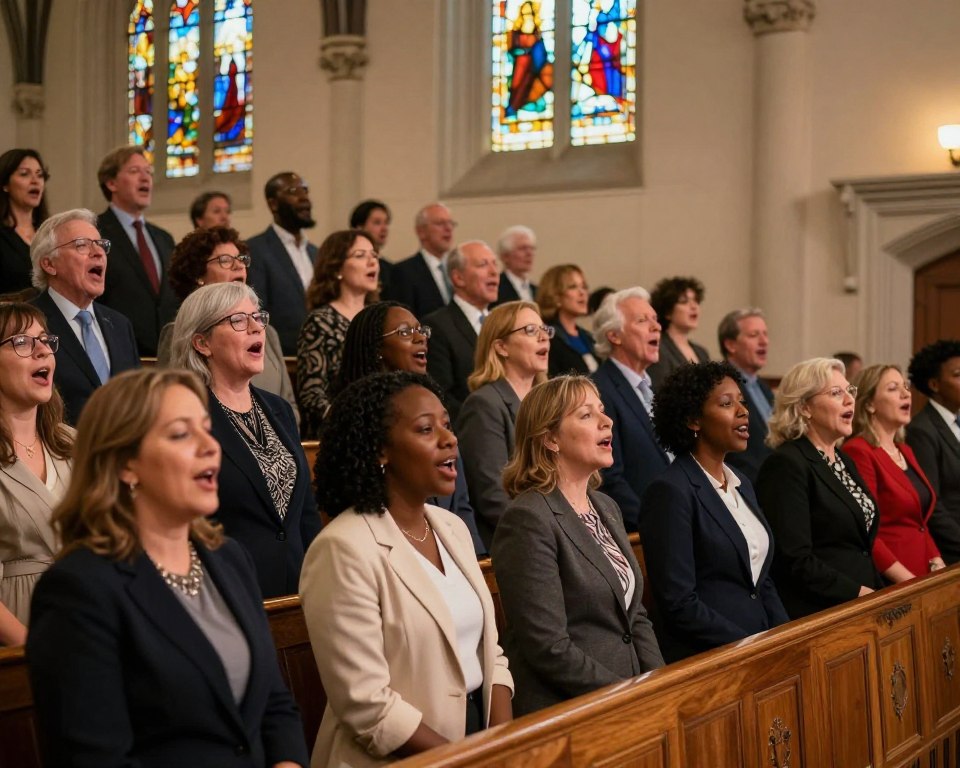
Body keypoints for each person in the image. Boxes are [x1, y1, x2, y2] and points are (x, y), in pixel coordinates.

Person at [26, 368, 308, 767]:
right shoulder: (79, 588)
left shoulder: (229, 558)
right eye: (180, 434)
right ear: (126, 464)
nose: (210, 447)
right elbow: (95, 758)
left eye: (207, 430)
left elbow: (274, 703)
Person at [301, 372, 513, 765]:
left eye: (447, 426)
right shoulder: (342, 548)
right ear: (381, 450)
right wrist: (465, 758)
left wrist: (501, 745)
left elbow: (492, 654)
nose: (449, 439)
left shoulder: (452, 528)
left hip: (477, 742)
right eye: (426, 429)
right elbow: (367, 705)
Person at [491, 375, 664, 716]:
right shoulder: (528, 519)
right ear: (550, 438)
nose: (607, 420)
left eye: (602, 410)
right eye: (586, 415)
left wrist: (658, 683)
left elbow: (635, 615)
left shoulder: (606, 506)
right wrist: (622, 695)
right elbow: (548, 646)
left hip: (628, 700)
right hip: (570, 709)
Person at [170, 283, 321, 598]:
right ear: (202, 343)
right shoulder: (185, 416)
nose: (256, 328)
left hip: (299, 589)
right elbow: (184, 525)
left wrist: (319, 577)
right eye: (238, 320)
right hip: (229, 592)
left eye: (258, 317)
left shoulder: (277, 408)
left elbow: (305, 511)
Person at [640, 362, 788, 662]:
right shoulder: (670, 491)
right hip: (711, 657)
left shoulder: (741, 482)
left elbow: (761, 578)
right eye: (726, 403)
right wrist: (747, 646)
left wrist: (786, 636)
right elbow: (679, 602)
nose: (742, 411)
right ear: (694, 419)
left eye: (742, 402)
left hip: (762, 648)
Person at [335, 300, 485, 555]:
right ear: (376, 347)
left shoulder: (435, 405)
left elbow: (461, 504)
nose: (420, 338)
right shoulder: (357, 419)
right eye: (405, 332)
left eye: (421, 330)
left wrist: (477, 560)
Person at [756, 357, 884, 619]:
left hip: (863, 600)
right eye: (836, 393)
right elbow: (795, 559)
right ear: (804, 407)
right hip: (822, 611)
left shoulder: (843, 459)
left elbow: (860, 546)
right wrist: (857, 592)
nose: (849, 400)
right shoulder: (787, 464)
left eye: (850, 390)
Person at [157, 226, 298, 423]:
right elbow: (170, 402)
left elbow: (289, 404)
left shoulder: (268, 332)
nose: (239, 266)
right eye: (225, 260)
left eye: (241, 259)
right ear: (198, 275)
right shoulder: (179, 333)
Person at [0, 303, 73, 645]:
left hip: (89, 622)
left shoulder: (74, 443)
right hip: (21, 634)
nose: (43, 350)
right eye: (23, 342)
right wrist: (29, 650)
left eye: (45, 340)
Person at [29, 208, 140, 425]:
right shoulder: (30, 324)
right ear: (49, 264)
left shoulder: (120, 324)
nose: (98, 253)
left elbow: (138, 398)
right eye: (81, 245)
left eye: (101, 245)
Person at [457, 300, 550, 547]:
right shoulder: (484, 405)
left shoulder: (547, 405)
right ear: (501, 346)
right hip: (518, 542)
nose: (544, 337)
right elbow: (493, 496)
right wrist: (547, 537)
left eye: (545, 330)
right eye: (531, 330)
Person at [842, 364, 945, 581]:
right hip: (892, 578)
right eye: (892, 388)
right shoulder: (859, 451)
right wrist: (906, 581)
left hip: (924, 571)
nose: (905, 393)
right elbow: (868, 529)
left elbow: (920, 523)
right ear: (869, 404)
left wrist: (937, 562)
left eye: (905, 387)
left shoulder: (905, 449)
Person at [591, 287, 671, 532]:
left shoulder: (655, 386)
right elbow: (608, 477)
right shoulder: (599, 390)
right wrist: (654, 524)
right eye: (642, 321)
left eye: (655, 320)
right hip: (643, 530)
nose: (656, 327)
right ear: (614, 335)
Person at [95, 146, 178, 356]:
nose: (145, 178)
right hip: (119, 352)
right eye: (134, 171)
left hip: (166, 355)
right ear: (111, 182)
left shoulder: (164, 238)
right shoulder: (96, 232)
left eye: (148, 172)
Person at [296, 229, 380, 438]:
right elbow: (311, 395)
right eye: (360, 255)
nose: (372, 262)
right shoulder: (320, 322)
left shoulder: (382, 319)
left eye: (374, 255)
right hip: (340, 433)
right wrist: (351, 423)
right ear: (337, 268)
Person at [424, 240, 501, 419]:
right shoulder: (437, 325)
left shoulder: (502, 324)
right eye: (483, 265)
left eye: (495, 264)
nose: (494, 272)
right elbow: (440, 393)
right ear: (458, 278)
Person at [247, 171, 318, 354]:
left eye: (305, 190)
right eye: (294, 191)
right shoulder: (256, 249)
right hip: (281, 357)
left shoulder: (315, 253)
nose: (304, 198)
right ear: (273, 204)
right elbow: (257, 309)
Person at [906, 340, 960, 563]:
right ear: (935, 385)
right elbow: (932, 503)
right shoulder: (922, 430)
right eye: (958, 375)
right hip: (950, 551)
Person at [718, 307, 773, 484]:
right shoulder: (721, 386)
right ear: (730, 345)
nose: (764, 341)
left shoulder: (764, 389)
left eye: (765, 334)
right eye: (754, 335)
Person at [383, 202, 457, 319]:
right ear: (421, 232)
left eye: (451, 223)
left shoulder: (457, 270)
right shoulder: (404, 272)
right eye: (440, 223)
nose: (448, 228)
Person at [647, 276, 710, 390]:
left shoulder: (702, 352)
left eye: (696, 300)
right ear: (668, 312)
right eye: (684, 301)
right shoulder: (658, 348)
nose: (694, 306)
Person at [0, 148, 49, 293]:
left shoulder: (50, 234)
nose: (35, 181)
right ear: (5, 184)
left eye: (40, 175)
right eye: (24, 174)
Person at [538, 264, 598, 376]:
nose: (582, 293)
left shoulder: (588, 337)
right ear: (556, 295)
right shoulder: (548, 337)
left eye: (584, 287)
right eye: (573, 287)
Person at [349, 198, 393, 294]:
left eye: (386, 223)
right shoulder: (348, 263)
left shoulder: (391, 269)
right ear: (359, 227)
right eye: (377, 223)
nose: (384, 228)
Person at [495, 225, 537, 304]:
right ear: (505, 256)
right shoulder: (496, 287)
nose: (529, 253)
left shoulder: (537, 291)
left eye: (532, 248)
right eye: (523, 248)